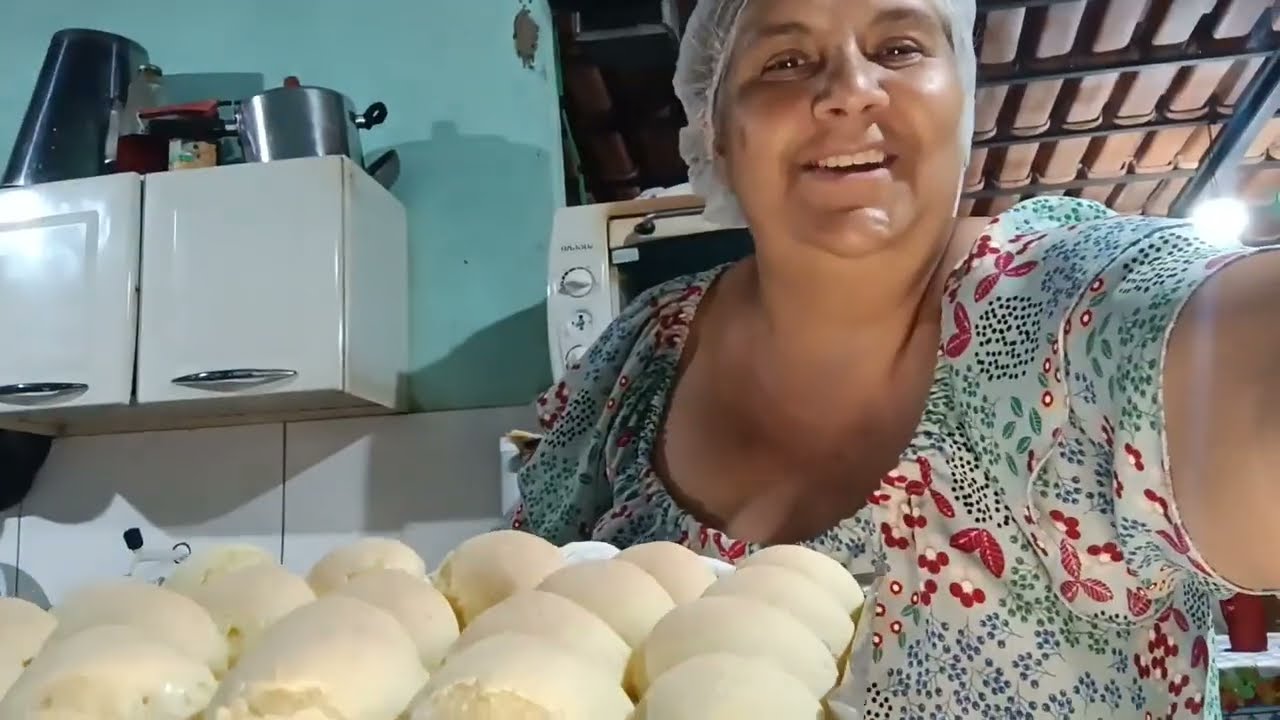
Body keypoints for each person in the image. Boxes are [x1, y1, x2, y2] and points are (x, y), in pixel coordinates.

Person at [513, 0, 1280, 716]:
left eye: (899, 47)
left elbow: (1243, 374)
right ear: (715, 124)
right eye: (784, 61)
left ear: (961, 95)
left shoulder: (1072, 310)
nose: (851, 91)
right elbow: (520, 618)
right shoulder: (640, 352)